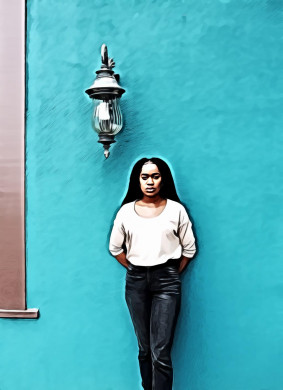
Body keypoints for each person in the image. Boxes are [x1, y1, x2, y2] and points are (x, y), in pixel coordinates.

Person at [109, 157, 196, 390]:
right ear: (137, 180)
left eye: (155, 176)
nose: (150, 182)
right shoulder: (126, 212)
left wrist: (169, 273)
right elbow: (115, 249)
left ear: (163, 179)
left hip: (167, 283)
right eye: (145, 176)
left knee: (161, 352)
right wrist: (136, 269)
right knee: (145, 348)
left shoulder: (176, 210)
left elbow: (189, 249)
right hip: (136, 281)